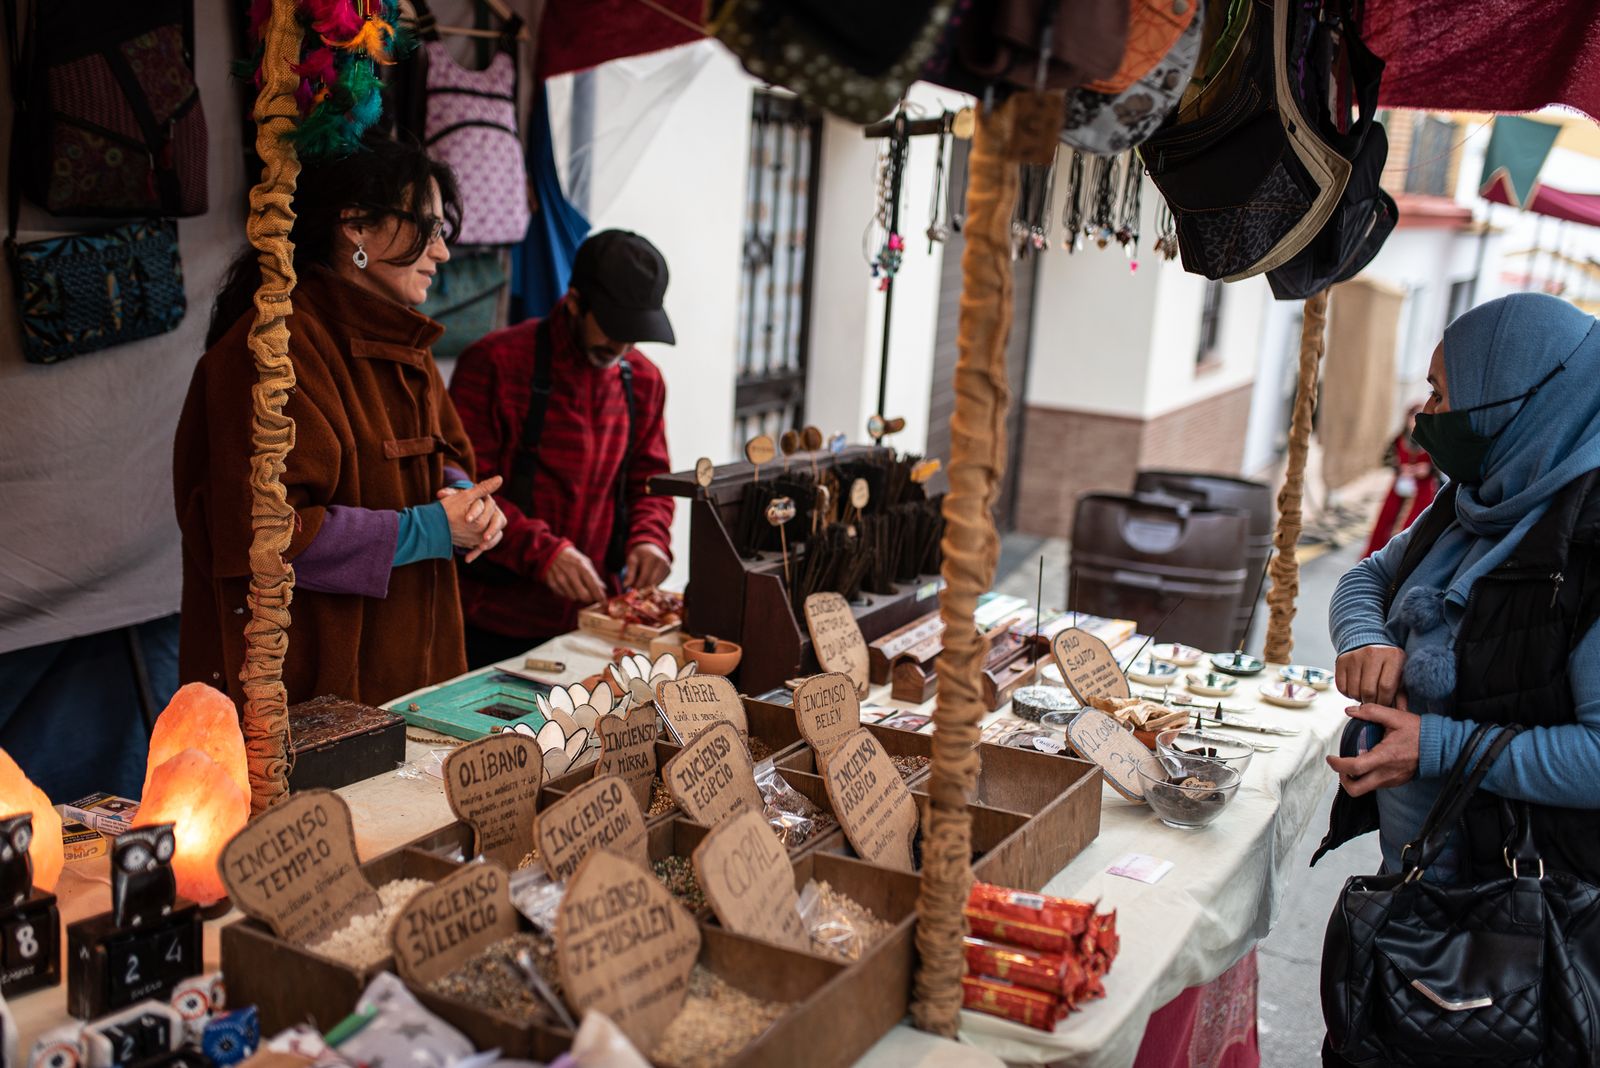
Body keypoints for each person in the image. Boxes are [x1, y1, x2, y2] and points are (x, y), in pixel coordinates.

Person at [1315, 294, 1600, 1060]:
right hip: (1420, 887)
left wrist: (1435, 746)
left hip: (1524, 927)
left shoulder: (1589, 547)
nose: (1427, 414)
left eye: (1444, 395)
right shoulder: (1475, 500)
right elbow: (1367, 577)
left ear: (1518, 400)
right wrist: (1367, 638)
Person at [174, 137, 507, 707]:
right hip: (306, 693)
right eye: (428, 229)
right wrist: (426, 530)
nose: (442, 253)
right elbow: (266, 536)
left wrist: (464, 498)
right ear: (356, 228)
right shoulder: (269, 353)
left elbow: (445, 452)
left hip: (420, 671)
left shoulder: (406, 342)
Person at [448, 229, 676, 667]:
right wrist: (543, 553)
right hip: (494, 622)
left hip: (596, 624)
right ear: (574, 301)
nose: (622, 347)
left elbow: (650, 484)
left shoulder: (644, 381)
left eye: (634, 334)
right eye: (613, 328)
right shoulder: (494, 364)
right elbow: (467, 492)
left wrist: (650, 540)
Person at [1361, 401, 1438, 558]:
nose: (1416, 421)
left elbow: (1442, 465)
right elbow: (1386, 459)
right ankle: (1375, 558)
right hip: (1399, 487)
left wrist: (1428, 469)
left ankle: (1402, 562)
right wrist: (1400, 468)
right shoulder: (1399, 438)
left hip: (1422, 490)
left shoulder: (1434, 440)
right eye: (1413, 416)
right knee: (1385, 522)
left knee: (1413, 526)